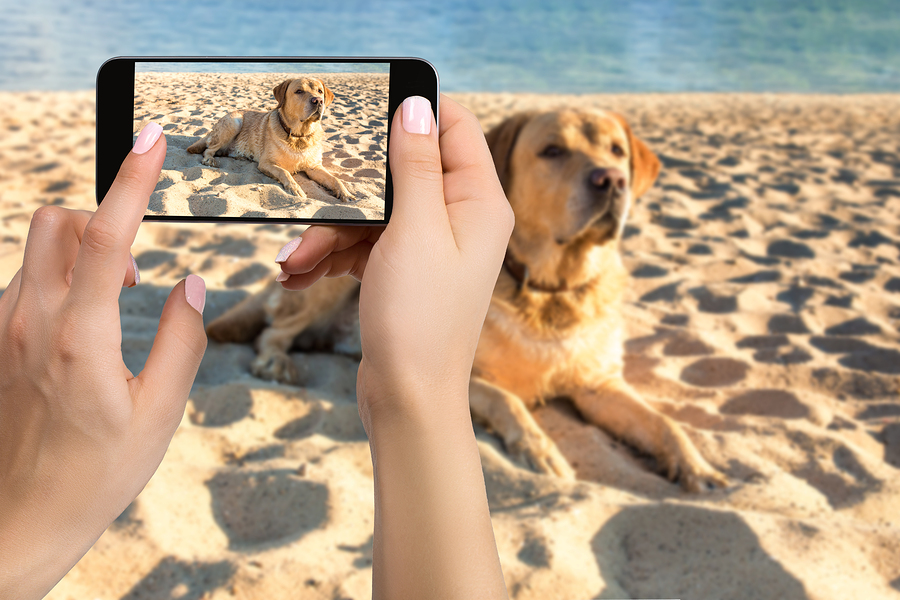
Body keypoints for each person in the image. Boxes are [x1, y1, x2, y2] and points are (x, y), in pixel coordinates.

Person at [0, 95, 514, 600]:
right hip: (255, 149)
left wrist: (24, 528)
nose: (312, 100)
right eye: (302, 93)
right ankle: (211, 151)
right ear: (282, 98)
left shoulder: (313, 132)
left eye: (318, 95)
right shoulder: (262, 125)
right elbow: (273, 162)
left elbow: (320, 173)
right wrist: (423, 394)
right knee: (221, 139)